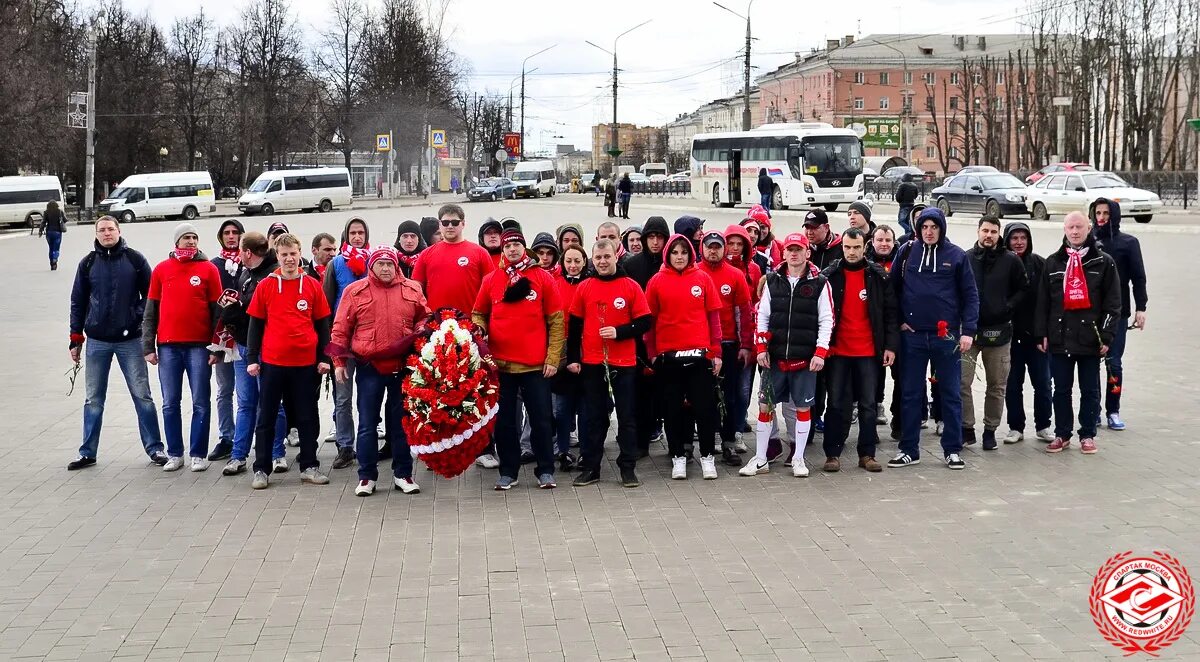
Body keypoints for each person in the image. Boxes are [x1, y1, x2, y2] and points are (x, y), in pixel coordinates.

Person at [67, 216, 167, 470]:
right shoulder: (88, 263)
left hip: (130, 340)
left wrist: (137, 315)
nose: (107, 233)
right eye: (102, 230)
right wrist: (75, 338)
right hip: (97, 341)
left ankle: (155, 449)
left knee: (142, 396)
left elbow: (153, 294)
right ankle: (88, 452)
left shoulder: (134, 259)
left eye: (111, 229)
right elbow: (78, 301)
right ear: (96, 234)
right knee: (93, 399)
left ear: (119, 231)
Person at [328, 246, 429, 496]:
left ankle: (403, 474)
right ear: (371, 266)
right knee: (367, 423)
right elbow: (340, 328)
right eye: (380, 263)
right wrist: (339, 363)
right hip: (368, 367)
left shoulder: (412, 288)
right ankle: (366, 476)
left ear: (396, 266)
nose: (385, 268)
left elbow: (425, 316)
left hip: (402, 367)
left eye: (389, 264)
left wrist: (419, 331)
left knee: (402, 423)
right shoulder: (355, 291)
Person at [472, 228, 564, 490]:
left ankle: (545, 470)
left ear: (525, 248)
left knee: (542, 420)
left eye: (517, 244)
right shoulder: (491, 279)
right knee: (504, 423)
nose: (512, 249)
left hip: (536, 365)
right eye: (508, 246)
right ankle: (508, 471)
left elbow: (556, 322)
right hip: (501, 365)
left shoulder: (543, 278)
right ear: (502, 250)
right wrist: (480, 328)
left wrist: (552, 357)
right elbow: (479, 313)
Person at [888, 208, 979, 470]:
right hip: (913, 337)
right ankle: (909, 449)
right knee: (910, 394)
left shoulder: (957, 256)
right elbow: (892, 290)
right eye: (924, 227)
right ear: (918, 229)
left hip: (946, 337)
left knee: (950, 394)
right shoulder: (906, 252)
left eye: (934, 227)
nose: (929, 231)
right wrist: (899, 322)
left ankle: (952, 449)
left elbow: (970, 296)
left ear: (941, 229)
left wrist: (968, 331)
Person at [738, 232, 833, 478]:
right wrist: (761, 348)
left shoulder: (821, 283)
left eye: (798, 249)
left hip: (804, 359)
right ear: (784, 252)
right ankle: (760, 458)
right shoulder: (771, 280)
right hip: (775, 358)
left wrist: (820, 352)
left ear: (807, 252)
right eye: (790, 249)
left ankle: (799, 459)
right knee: (764, 406)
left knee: (802, 408)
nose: (793, 253)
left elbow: (826, 320)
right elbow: (763, 317)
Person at [244, 233, 332, 489]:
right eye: (284, 255)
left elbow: (322, 324)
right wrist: (252, 358)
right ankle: (261, 469)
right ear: (277, 256)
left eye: (293, 254)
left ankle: (309, 465)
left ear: (300, 254)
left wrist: (325, 357)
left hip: (305, 364)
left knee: (307, 416)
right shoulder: (266, 286)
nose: (289, 259)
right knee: (267, 417)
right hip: (273, 363)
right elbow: (255, 325)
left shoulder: (312, 285)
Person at [567, 239, 652, 487]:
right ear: (592, 260)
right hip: (593, 363)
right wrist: (573, 358)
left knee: (626, 417)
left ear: (616, 256)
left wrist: (620, 332)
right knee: (594, 417)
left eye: (607, 257)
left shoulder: (631, 286)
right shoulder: (584, 287)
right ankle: (591, 467)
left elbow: (645, 322)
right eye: (598, 258)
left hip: (624, 363)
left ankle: (627, 467)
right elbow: (574, 327)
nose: (603, 262)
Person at [1036, 211, 1121, 455]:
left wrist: (1106, 336)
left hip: (1089, 338)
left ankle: (1087, 434)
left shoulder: (1103, 262)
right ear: (1064, 229)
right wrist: (1041, 333)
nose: (1075, 232)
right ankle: (1062, 433)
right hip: (1059, 337)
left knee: (1089, 389)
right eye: (1070, 227)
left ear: (1089, 228)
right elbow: (1043, 302)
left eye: (1079, 227)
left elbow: (1113, 304)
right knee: (1060, 389)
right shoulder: (1053, 262)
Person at [142, 222, 223, 472]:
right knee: (170, 402)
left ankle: (198, 453)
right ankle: (175, 454)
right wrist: (148, 345)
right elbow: (151, 311)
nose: (191, 242)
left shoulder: (208, 269)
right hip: (168, 347)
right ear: (176, 242)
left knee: (200, 400)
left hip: (199, 347)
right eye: (186, 238)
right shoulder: (162, 270)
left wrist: (217, 347)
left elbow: (218, 312)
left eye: (194, 238)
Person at [646, 234, 724, 480]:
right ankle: (678, 456)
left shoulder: (702, 279)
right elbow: (650, 323)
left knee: (705, 408)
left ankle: (707, 457)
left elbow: (714, 319)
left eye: (683, 253)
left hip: (700, 355)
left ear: (691, 254)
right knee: (672, 410)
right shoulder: (657, 281)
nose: (679, 257)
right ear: (668, 255)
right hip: (669, 357)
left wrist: (716, 352)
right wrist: (653, 354)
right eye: (674, 253)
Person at [820, 228, 897, 473]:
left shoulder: (878, 276)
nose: (851, 252)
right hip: (838, 352)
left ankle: (867, 454)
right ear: (841, 247)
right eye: (847, 247)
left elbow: (890, 315)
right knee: (835, 404)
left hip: (867, 352)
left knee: (868, 405)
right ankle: (832, 454)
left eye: (856, 247)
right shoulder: (829, 276)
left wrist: (890, 347)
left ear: (865, 247)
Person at [215, 232, 290, 476]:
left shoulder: (275, 274)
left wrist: (241, 311)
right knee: (245, 403)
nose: (239, 256)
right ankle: (238, 456)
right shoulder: (245, 274)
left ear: (247, 252)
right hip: (244, 346)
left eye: (241, 252)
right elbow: (245, 308)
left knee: (272, 404)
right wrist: (231, 312)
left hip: (268, 348)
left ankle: (277, 453)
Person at [961, 216, 1028, 450]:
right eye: (985, 230)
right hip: (969, 332)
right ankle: (967, 428)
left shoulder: (1010, 260)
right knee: (962, 382)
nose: (988, 235)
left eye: (993, 231)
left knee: (997, 385)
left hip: (999, 333)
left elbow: (1023, 288)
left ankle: (990, 430)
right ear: (978, 231)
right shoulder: (966, 258)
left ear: (999, 234)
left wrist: (1007, 307)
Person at [1089, 197, 1147, 431]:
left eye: (1106, 213)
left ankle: (1113, 410)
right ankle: (1092, 412)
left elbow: (1138, 278)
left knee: (1113, 363)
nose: (1101, 218)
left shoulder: (1128, 243)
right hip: (1090, 313)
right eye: (1097, 213)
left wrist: (1141, 308)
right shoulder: (1087, 240)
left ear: (1114, 215)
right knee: (1091, 363)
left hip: (1117, 314)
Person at [697, 230, 753, 466]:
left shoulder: (735, 275)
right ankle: (706, 443)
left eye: (717, 246)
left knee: (729, 397)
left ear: (724, 249)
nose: (713, 251)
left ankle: (729, 442)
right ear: (702, 248)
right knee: (703, 397)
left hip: (729, 345)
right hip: (702, 346)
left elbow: (744, 312)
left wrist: (746, 345)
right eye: (709, 246)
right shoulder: (695, 273)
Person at [322, 217, 372, 470]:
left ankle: (366, 442)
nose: (357, 237)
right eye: (352, 232)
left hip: (369, 340)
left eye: (361, 232)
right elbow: (326, 303)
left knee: (367, 395)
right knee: (343, 398)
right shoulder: (336, 264)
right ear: (345, 235)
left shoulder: (375, 261)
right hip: (342, 340)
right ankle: (345, 446)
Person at [621, 215, 670, 456]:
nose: (655, 242)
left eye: (660, 237)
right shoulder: (631, 266)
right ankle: (639, 442)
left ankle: (676, 445)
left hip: (668, 337)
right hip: (639, 339)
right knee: (639, 394)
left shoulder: (672, 264)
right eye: (651, 237)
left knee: (669, 393)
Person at [1002, 221, 1054, 444]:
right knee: (1013, 384)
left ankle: (1043, 425)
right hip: (1009, 337)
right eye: (1014, 238)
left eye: (1023, 238)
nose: (1019, 242)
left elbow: (1049, 301)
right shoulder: (1002, 264)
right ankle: (1016, 427)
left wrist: (1045, 333)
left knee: (1042, 383)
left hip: (1036, 337)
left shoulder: (1040, 264)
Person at [802, 209, 844, 434]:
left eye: (814, 227)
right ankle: (812, 415)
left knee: (832, 378)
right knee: (813, 377)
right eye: (807, 227)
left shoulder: (839, 248)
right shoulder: (805, 249)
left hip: (834, 323)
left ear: (826, 228)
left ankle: (831, 417)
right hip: (810, 323)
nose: (809, 232)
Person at [208, 219, 245, 463]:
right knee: (224, 390)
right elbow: (209, 302)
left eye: (235, 233)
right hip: (221, 336)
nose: (231, 236)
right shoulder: (213, 265)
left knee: (246, 393)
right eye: (227, 233)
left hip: (244, 335)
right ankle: (226, 437)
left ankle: (244, 438)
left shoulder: (250, 262)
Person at [552, 244, 589, 470]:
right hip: (563, 352)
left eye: (577, 261)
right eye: (569, 261)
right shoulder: (555, 285)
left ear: (585, 262)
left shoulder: (590, 284)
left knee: (586, 407)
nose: (573, 266)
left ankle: (586, 451)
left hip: (587, 351)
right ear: (562, 263)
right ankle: (563, 451)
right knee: (563, 408)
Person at [869, 225, 900, 430]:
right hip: (873, 329)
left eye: (888, 240)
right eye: (880, 240)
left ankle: (899, 418)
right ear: (872, 242)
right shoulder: (866, 264)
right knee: (873, 377)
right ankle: (874, 413)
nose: (884, 244)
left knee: (901, 376)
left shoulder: (902, 261)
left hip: (898, 325)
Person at [43, 200, 67, 270]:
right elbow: (65, 220)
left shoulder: (46, 212)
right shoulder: (60, 212)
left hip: (49, 232)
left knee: (51, 248)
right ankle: (55, 259)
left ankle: (51, 263)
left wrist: (41, 230)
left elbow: (43, 222)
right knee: (56, 248)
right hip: (58, 232)